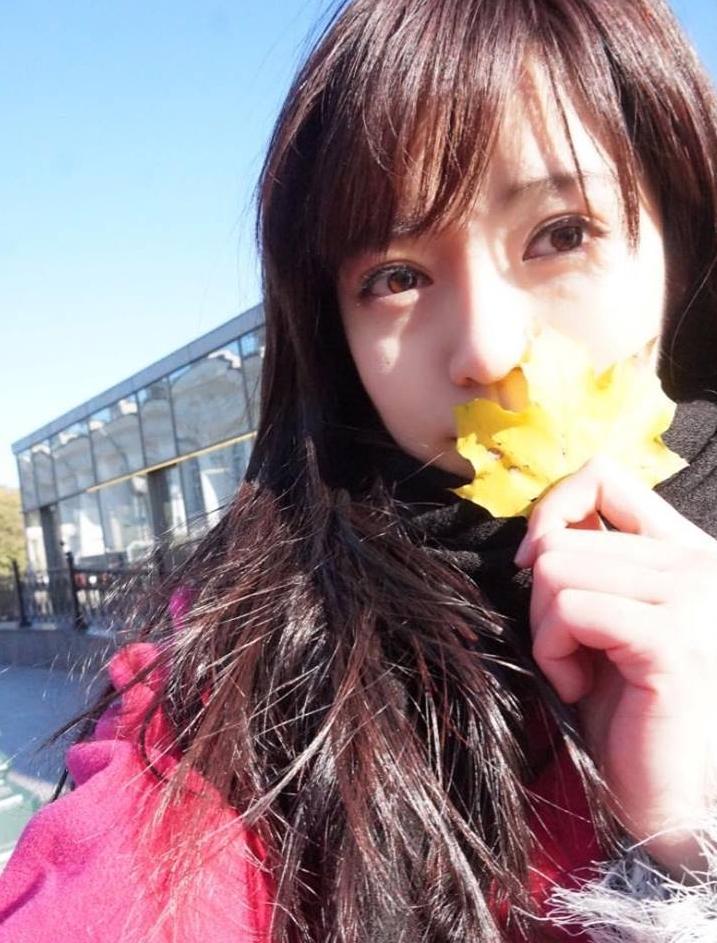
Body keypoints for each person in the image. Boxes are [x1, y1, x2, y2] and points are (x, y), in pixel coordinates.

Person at [3, 0, 717, 940]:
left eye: (560, 232)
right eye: (396, 277)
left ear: (680, 241)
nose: (485, 349)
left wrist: (692, 842)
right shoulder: (245, 677)